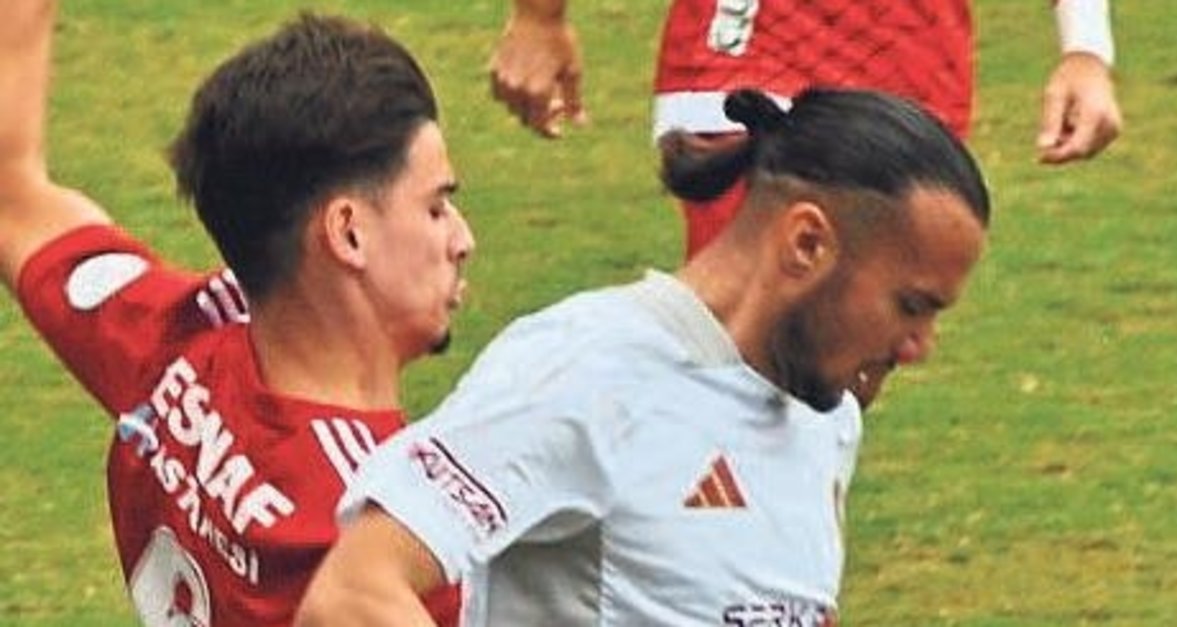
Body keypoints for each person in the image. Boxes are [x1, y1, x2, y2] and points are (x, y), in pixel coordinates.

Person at [297, 86, 992, 626]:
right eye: (912, 305)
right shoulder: (586, 368)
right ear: (807, 243)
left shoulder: (826, 419)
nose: (920, 346)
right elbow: (353, 595)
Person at [0, 3, 472, 626]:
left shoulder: (171, 346)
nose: (462, 239)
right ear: (348, 233)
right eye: (436, 207)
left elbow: (11, 194)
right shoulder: (380, 533)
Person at [488, 0, 1121, 405]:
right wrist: (540, 16)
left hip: (915, 48)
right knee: (751, 354)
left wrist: (1086, 47)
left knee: (843, 376)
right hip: (756, 36)